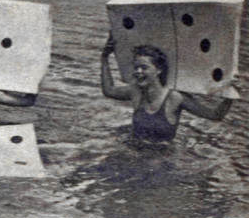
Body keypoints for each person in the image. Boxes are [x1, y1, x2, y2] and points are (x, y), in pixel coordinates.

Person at [100, 36, 233, 142]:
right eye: (136, 67)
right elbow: (109, 91)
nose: (138, 72)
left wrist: (230, 94)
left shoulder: (174, 97)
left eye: (144, 67)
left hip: (162, 159)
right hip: (133, 152)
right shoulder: (136, 92)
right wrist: (104, 57)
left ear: (158, 70)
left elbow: (214, 115)